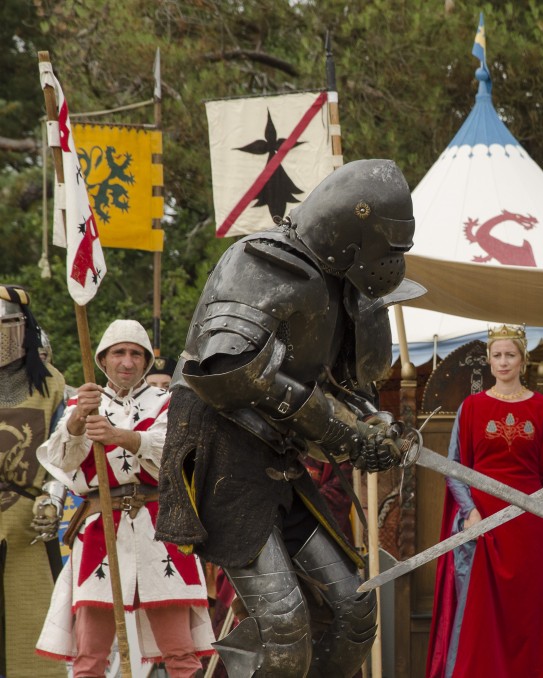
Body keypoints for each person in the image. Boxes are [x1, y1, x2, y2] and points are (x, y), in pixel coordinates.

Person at [155, 159, 420, 677]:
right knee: (283, 628)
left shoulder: (345, 287)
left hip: (278, 458)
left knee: (354, 612)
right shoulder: (263, 262)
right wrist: (339, 429)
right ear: (349, 232)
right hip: (225, 451)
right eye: (385, 245)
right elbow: (225, 370)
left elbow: (343, 384)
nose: (391, 261)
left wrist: (375, 427)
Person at [34, 319, 215, 677]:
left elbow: (173, 454)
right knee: (89, 657)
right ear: (103, 359)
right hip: (101, 530)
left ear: (146, 360)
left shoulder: (168, 403)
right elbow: (60, 461)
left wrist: (118, 435)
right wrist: (77, 421)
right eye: (119, 353)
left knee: (180, 653)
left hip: (160, 530)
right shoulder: (81, 404)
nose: (127, 362)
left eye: (136, 354)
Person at [426, 324, 543, 678]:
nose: (503, 362)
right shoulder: (471, 407)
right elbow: (454, 468)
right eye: (497, 355)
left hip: (532, 528)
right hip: (485, 527)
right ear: (489, 359)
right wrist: (469, 512)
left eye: (510, 355)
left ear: (522, 360)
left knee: (533, 618)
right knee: (481, 622)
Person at [0, 285, 66, 678]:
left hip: (27, 520)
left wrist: (53, 499)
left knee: (32, 623)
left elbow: (62, 453)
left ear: (23, 327)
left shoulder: (51, 385)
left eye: (5, 324)